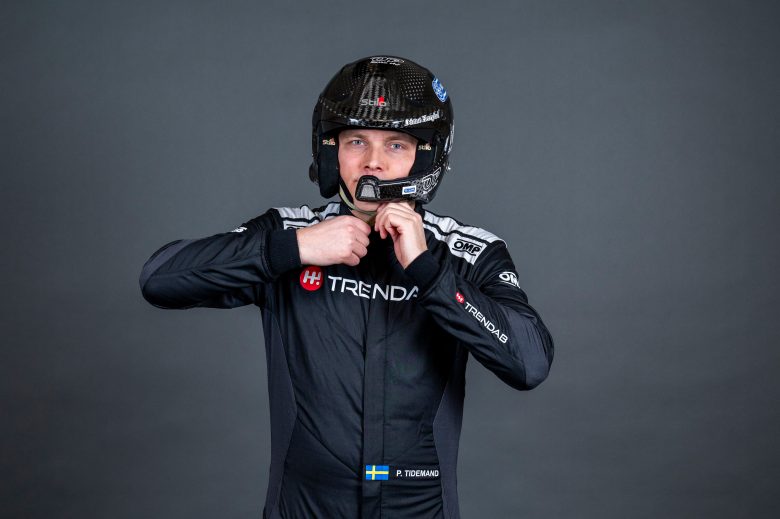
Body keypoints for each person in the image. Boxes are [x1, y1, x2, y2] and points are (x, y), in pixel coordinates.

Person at [139, 55, 554, 519]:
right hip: (303, 507)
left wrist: (430, 272)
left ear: (426, 156)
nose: (373, 162)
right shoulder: (289, 233)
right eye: (357, 141)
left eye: (396, 144)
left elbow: (530, 363)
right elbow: (160, 279)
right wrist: (294, 248)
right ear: (330, 151)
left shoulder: (467, 253)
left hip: (420, 508)